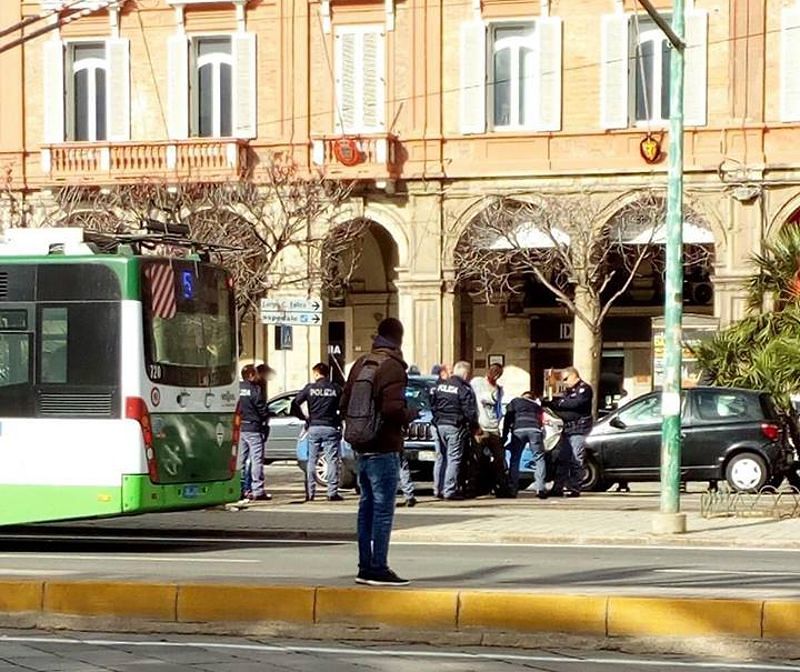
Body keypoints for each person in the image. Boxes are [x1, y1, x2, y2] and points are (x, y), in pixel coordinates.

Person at [341, 317, 417, 586]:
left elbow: (344, 403)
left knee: (366, 508)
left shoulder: (361, 363)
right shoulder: (393, 367)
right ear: (399, 339)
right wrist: (410, 414)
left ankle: (365, 566)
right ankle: (378, 568)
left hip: (361, 447)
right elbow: (392, 409)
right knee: (383, 510)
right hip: (384, 447)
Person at [292, 362, 344, 502]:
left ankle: (310, 493)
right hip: (331, 427)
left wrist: (304, 417)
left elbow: (295, 403)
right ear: (327, 374)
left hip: (314, 426)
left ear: (316, 374)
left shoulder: (310, 388)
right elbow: (344, 405)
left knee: (311, 460)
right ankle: (332, 492)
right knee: (332, 460)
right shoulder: (336, 388)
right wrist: (339, 419)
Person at [431, 361, 478, 500]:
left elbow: (432, 404)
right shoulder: (463, 388)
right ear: (466, 374)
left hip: (438, 424)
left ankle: (437, 489)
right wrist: (473, 425)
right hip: (454, 425)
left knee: (440, 457)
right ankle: (449, 490)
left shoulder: (439, 386)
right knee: (454, 458)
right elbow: (469, 410)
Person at [545, 366, 593, 498]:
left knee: (576, 458)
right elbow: (559, 405)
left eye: (565, 379)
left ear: (574, 376)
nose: (564, 382)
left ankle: (575, 488)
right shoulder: (567, 391)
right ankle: (558, 488)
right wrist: (554, 403)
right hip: (567, 429)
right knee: (562, 459)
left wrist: (559, 404)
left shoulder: (584, 389)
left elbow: (575, 404)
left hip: (579, 428)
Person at [471, 363, 510, 497]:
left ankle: (501, 487)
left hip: (493, 427)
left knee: (499, 459)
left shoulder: (499, 389)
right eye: (493, 371)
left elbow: (498, 408)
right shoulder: (477, 383)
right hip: (481, 426)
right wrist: (474, 425)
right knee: (477, 458)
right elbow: (481, 399)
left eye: (498, 373)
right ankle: (472, 487)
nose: (495, 375)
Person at [503, 391, 545, 498]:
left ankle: (513, 489)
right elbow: (541, 422)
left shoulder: (515, 402)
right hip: (535, 430)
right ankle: (540, 489)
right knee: (539, 458)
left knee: (515, 458)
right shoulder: (537, 406)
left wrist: (504, 435)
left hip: (519, 430)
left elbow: (508, 418)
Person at [238, 364, 271, 502]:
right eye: (256, 374)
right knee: (256, 460)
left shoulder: (236, 388)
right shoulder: (255, 389)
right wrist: (266, 416)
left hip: (240, 427)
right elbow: (261, 408)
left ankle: (240, 489)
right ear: (251, 375)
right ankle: (258, 490)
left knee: (240, 460)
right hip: (253, 428)